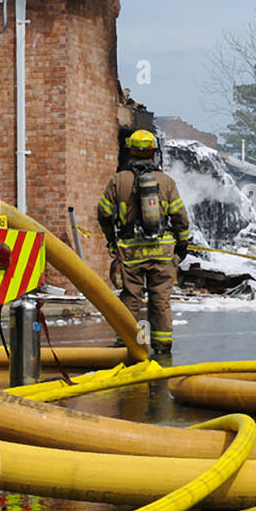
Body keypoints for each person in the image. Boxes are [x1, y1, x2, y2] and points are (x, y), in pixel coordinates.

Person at [96, 130, 190, 355]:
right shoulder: (166, 182)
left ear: (131, 151)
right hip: (162, 253)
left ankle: (129, 344)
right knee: (161, 300)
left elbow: (104, 214)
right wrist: (182, 246)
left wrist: (112, 240)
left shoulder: (118, 181)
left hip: (130, 253)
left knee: (130, 299)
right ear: (152, 153)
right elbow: (180, 217)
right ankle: (162, 346)